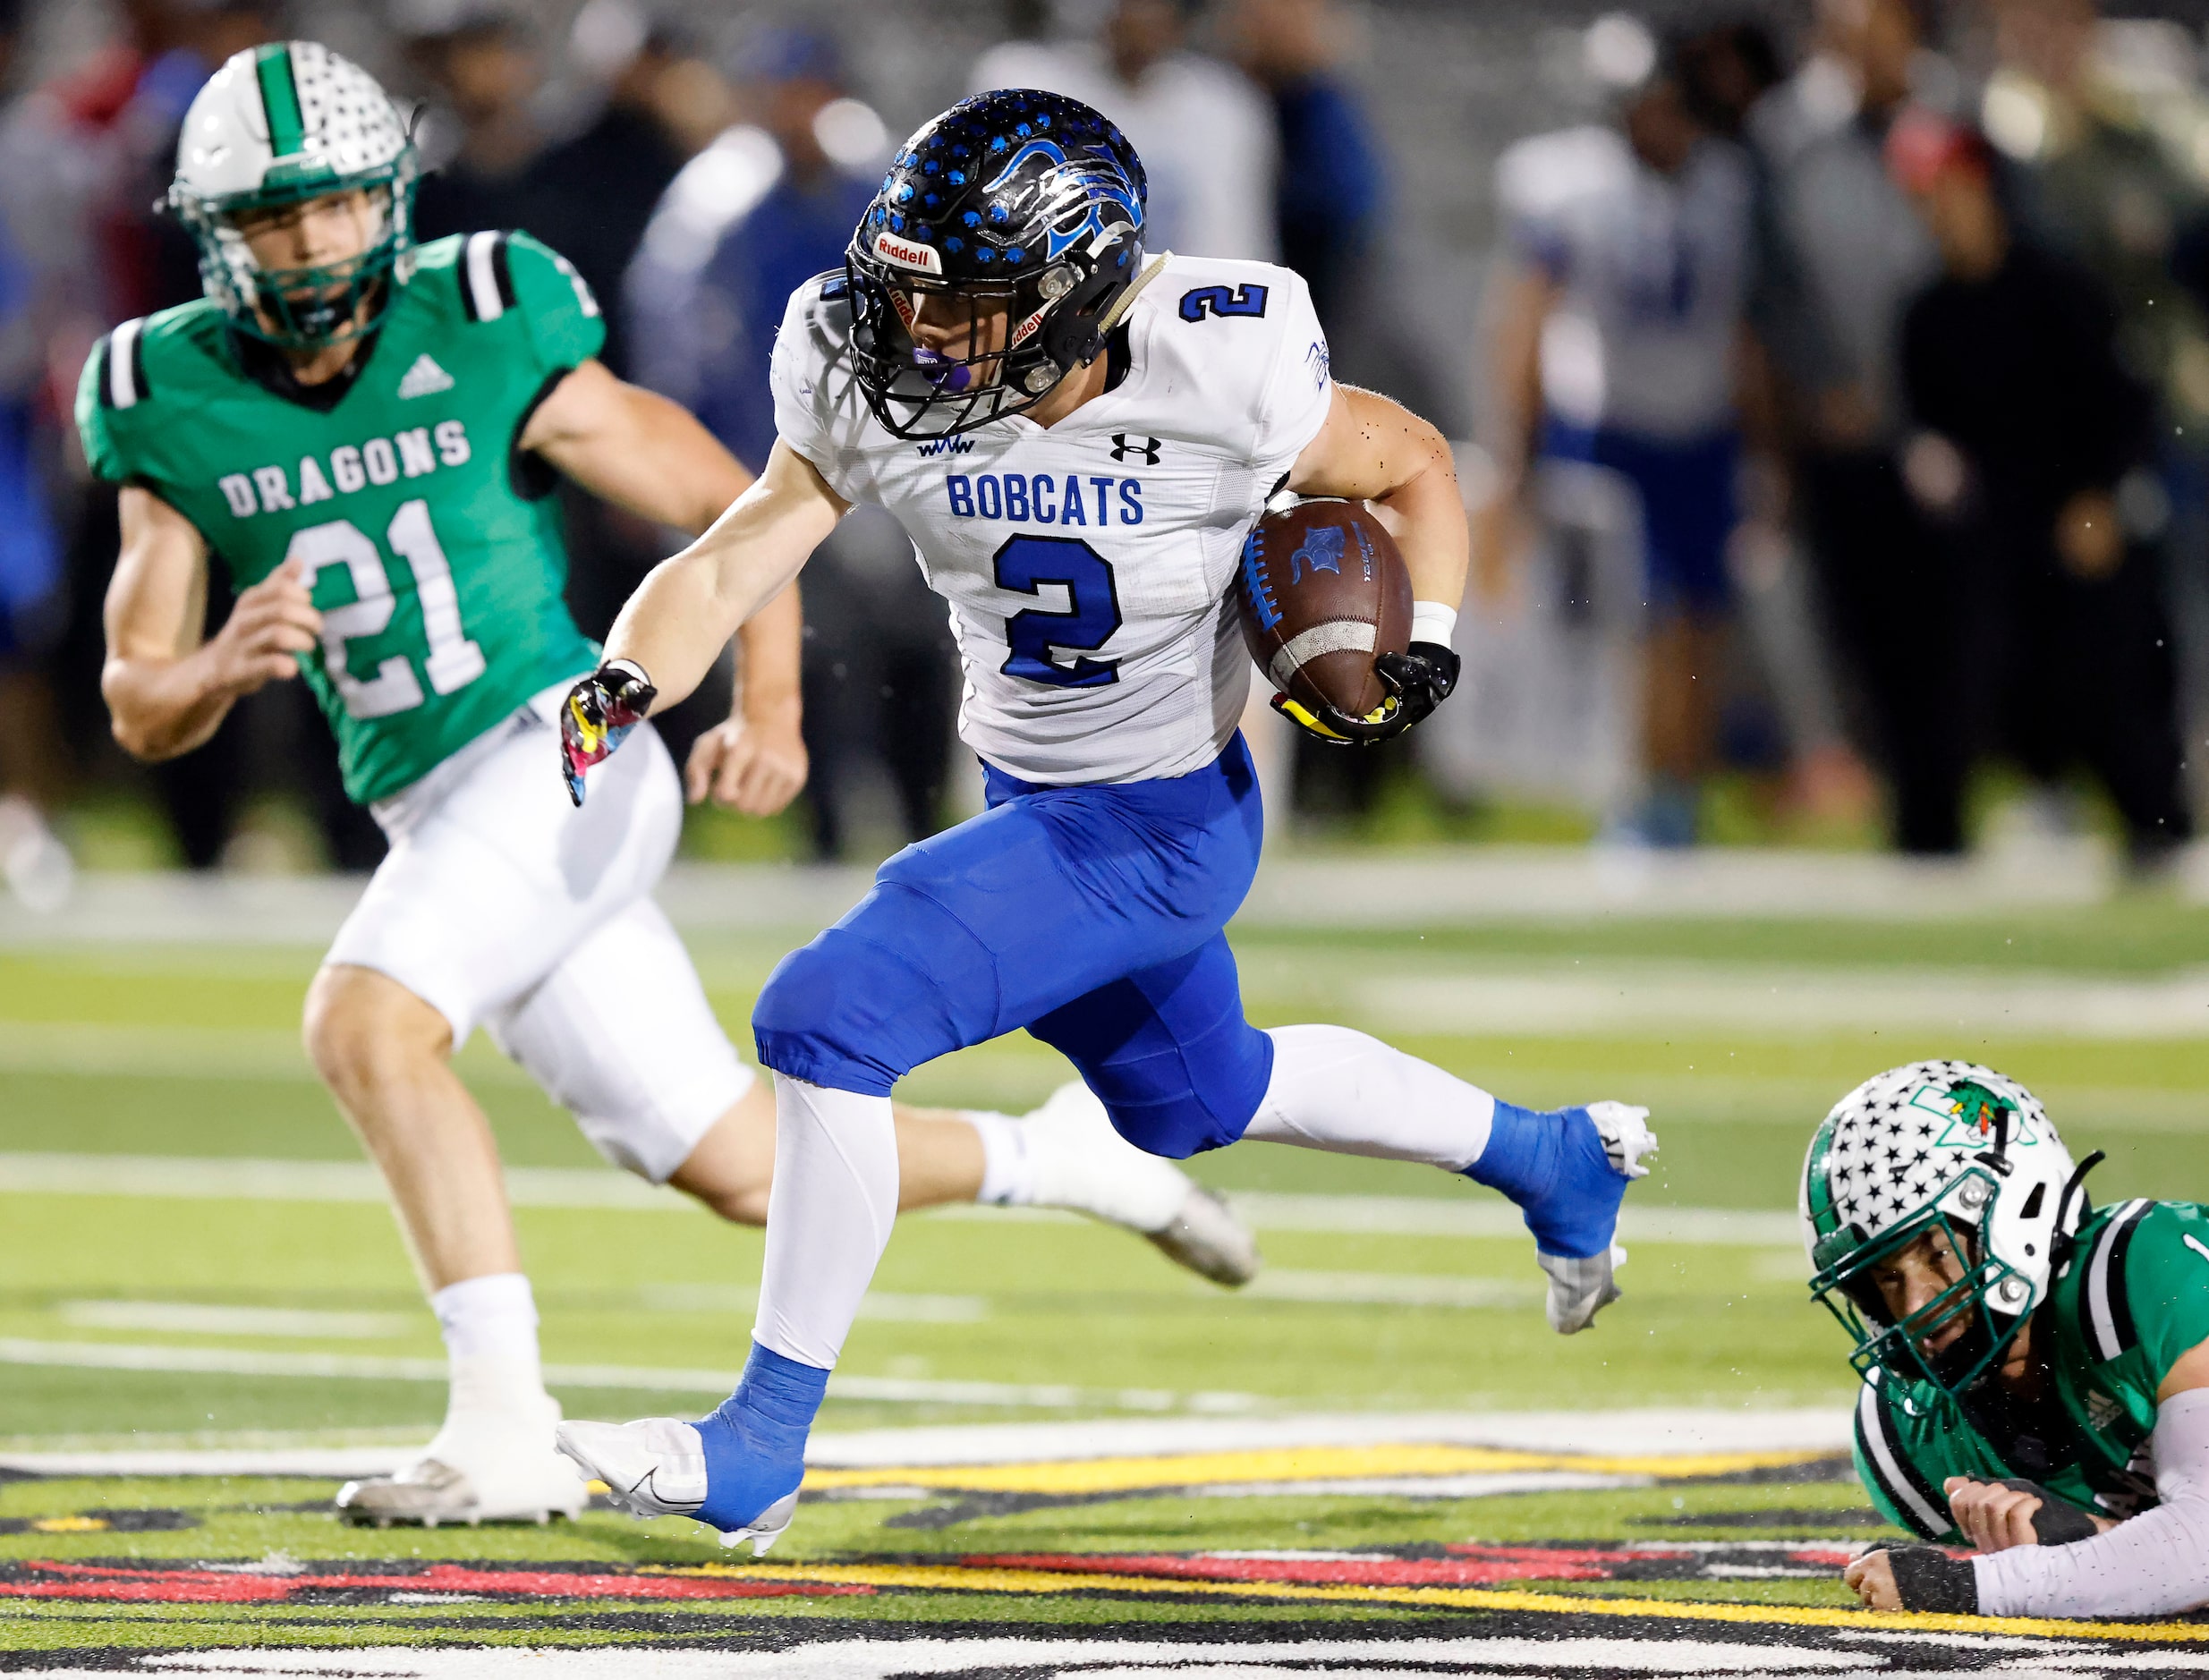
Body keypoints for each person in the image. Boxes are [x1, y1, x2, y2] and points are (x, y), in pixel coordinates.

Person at [82, 47, 1261, 1530]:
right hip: (439, 809)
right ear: (210, 231)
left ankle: (501, 1430)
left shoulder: (485, 314)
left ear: (386, 201)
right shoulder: (160, 390)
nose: (307, 246)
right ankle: (1077, 1160)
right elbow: (137, 700)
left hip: (558, 746)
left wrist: (764, 698)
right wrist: (215, 666)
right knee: (745, 1165)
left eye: (329, 209)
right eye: (268, 219)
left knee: (367, 1020)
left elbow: (732, 511)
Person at [553, 88, 1659, 1552]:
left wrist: (1423, 644)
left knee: (829, 1011)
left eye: (967, 307)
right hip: (1028, 793)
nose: (919, 335)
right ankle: (1549, 1157)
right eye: (908, 295)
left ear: (1074, 291)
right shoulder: (862, 357)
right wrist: (628, 673)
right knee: (1196, 1098)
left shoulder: (1225, 354)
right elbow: (741, 544)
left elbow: (1415, 464)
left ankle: (759, 1439)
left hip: (1154, 823)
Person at [628, 25, 956, 860]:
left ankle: (924, 822)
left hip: (897, 460)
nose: (795, 109)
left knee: (920, 650)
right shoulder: (717, 204)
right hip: (781, 465)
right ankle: (824, 833)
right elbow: (675, 346)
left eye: (807, 89)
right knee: (817, 654)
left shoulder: (878, 187)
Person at [1888, 114, 2190, 867]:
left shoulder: (2057, 287)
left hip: (2077, 513)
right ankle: (1951, 829)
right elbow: (1926, 423)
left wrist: (2096, 497)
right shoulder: (1925, 313)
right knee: (1979, 672)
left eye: (1950, 191)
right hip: (1992, 528)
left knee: (2109, 672)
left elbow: (2119, 403)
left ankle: (2154, 826)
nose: (1941, 211)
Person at [1801, 1061, 2209, 1617]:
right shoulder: (1914, 1441)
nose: (1914, 1307)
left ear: (2021, 1205)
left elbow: (2200, 1551)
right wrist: (2089, 1536)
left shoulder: (2142, 1275)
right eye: (1886, 1279)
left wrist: (1966, 1587)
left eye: (1935, 1252)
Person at [1483, 41, 1754, 845]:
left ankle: (1683, 793)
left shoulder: (1728, 185)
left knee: (1698, 618)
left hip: (1704, 427)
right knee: (1638, 623)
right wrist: (1516, 449)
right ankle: (1635, 791)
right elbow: (1524, 318)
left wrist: (1765, 448)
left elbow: (1745, 329)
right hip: (1610, 430)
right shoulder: (1569, 184)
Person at [1749, 0, 1958, 853]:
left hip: (1943, 424)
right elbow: (1771, 281)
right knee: (1855, 620)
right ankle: (1885, 794)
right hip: (1834, 427)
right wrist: (1821, 386)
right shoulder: (1786, 132)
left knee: (1946, 621)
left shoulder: (1953, 115)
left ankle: (1938, 804)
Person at [971, 0, 1277, 262]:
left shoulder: (1224, 107)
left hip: (1176, 309)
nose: (1143, 15)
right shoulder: (1025, 85)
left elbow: (1235, 249)